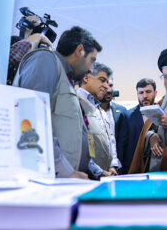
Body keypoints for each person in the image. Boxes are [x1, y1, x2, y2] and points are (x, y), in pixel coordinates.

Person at [18, 26, 102, 178]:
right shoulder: (46, 60)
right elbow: (30, 119)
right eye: (92, 61)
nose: (91, 69)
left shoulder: (64, 76)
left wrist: (97, 172)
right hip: (50, 180)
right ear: (80, 50)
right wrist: (66, 172)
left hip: (65, 180)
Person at [77, 62, 121, 178]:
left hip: (104, 175)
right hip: (87, 177)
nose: (107, 87)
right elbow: (79, 146)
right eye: (102, 80)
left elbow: (110, 139)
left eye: (107, 82)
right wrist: (98, 171)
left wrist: (112, 165)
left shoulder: (99, 108)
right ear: (86, 78)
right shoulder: (76, 103)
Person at [117, 78, 157, 174]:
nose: (144, 96)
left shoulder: (163, 114)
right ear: (137, 94)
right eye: (141, 93)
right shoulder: (127, 116)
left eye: (148, 92)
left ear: (155, 93)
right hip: (133, 169)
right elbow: (121, 147)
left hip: (156, 168)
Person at [99, 77, 126, 173]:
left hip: (120, 168)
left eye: (111, 85)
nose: (109, 90)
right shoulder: (90, 110)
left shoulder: (122, 111)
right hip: (99, 169)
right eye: (106, 86)